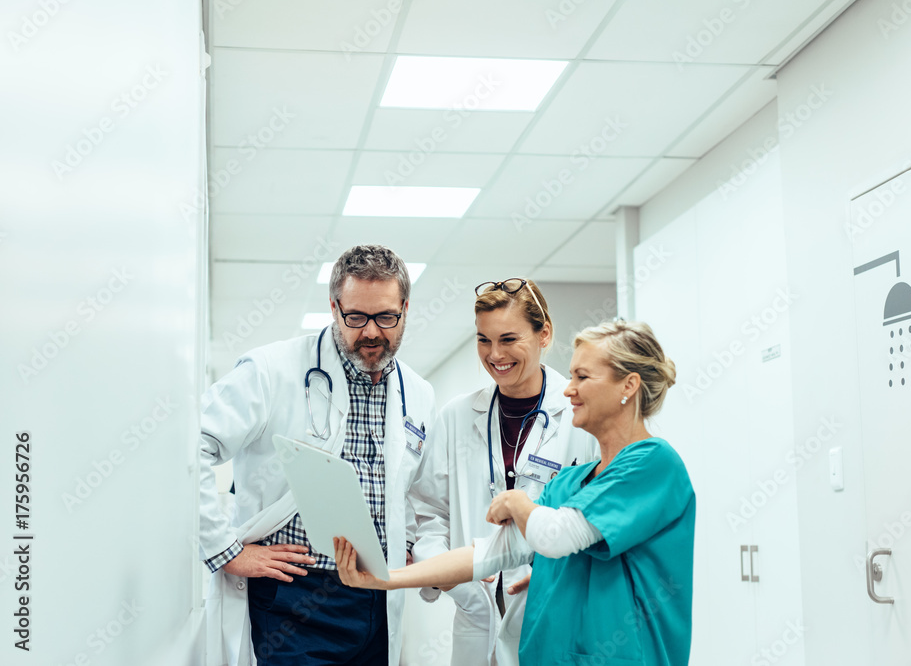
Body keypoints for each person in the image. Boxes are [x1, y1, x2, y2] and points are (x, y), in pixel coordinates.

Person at [336, 319, 695, 666]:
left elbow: (555, 535)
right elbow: (491, 552)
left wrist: (516, 501)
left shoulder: (655, 464)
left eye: (582, 377)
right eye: (571, 376)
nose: (568, 389)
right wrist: (385, 578)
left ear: (628, 385)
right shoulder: (570, 482)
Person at [198, 245, 436, 666]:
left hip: (376, 598)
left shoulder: (418, 393)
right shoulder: (272, 369)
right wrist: (226, 550)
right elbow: (191, 446)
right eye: (356, 317)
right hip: (295, 597)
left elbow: (420, 490)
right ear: (333, 307)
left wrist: (413, 542)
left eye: (385, 317)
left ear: (404, 308)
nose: (371, 333)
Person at [409, 278, 599, 666]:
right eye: (484, 340)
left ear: (544, 334)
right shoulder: (457, 417)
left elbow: (595, 524)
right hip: (475, 617)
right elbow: (429, 514)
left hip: (552, 614)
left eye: (509, 339)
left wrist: (556, 573)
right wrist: (439, 567)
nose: (495, 354)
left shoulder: (582, 416)